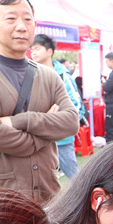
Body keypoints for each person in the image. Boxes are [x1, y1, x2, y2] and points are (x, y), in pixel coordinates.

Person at [0, 0, 78, 204]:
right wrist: (46, 131)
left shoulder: (48, 76)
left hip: (48, 195)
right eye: (11, 19)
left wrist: (17, 121)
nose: (22, 27)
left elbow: (71, 123)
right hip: (2, 200)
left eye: (28, 19)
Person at [30, 33, 86, 179]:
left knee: (74, 177)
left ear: (50, 52)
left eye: (37, 48)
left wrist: (60, 123)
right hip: (39, 137)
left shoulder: (62, 76)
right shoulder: (30, 75)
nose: (33, 52)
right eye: (31, 49)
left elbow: (77, 106)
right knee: (43, 180)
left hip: (62, 138)